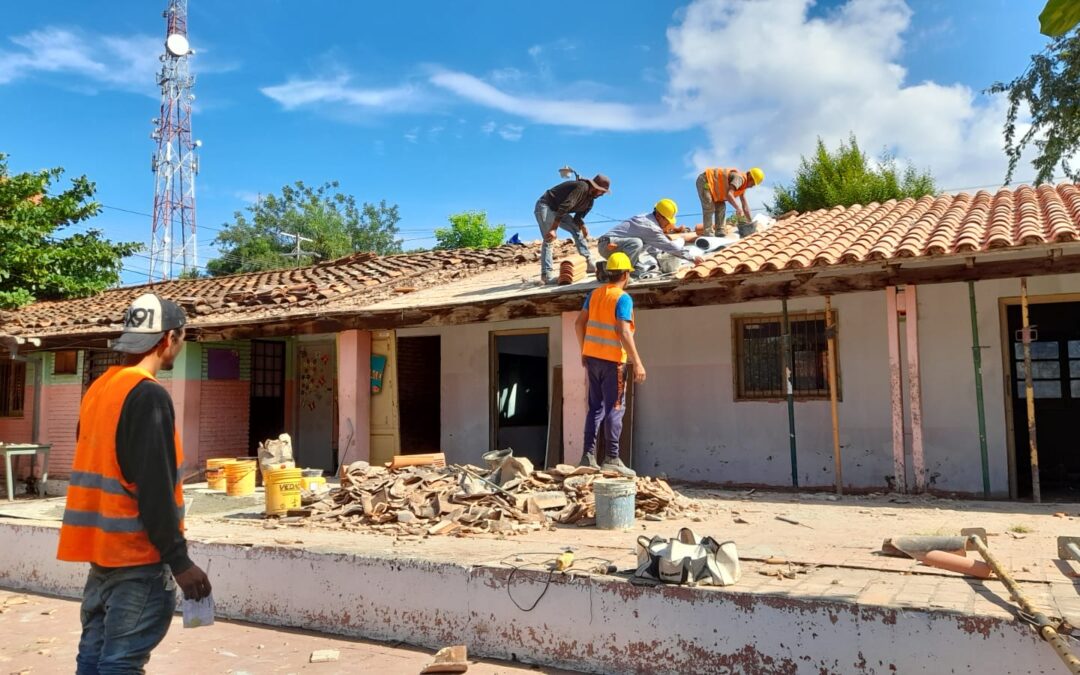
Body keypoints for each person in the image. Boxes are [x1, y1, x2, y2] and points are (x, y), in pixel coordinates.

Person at [57, 293, 212, 674]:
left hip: (100, 558)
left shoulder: (98, 390)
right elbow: (155, 488)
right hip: (137, 560)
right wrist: (180, 561)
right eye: (183, 338)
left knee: (92, 660)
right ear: (168, 339)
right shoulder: (149, 396)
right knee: (120, 665)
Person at [575, 252, 645, 478]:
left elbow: (579, 324)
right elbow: (623, 330)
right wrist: (638, 362)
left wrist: (584, 350)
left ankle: (587, 455)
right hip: (613, 361)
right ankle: (612, 458)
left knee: (595, 407)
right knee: (615, 407)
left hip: (592, 359)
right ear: (625, 274)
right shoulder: (623, 298)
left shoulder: (593, 295)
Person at [596, 198, 704, 277]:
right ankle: (625, 275)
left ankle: (606, 269)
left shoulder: (649, 223)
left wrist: (661, 261)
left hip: (616, 246)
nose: (667, 224)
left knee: (641, 268)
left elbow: (652, 246)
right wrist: (692, 258)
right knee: (636, 243)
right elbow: (669, 246)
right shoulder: (650, 226)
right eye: (667, 220)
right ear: (658, 215)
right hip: (607, 245)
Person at [535, 173, 611, 284]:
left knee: (577, 232)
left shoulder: (590, 202)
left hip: (560, 211)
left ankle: (588, 262)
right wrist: (553, 229)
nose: (602, 194)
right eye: (602, 191)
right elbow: (566, 205)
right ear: (595, 187)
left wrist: (583, 226)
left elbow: (577, 218)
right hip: (546, 206)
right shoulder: (582, 187)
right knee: (549, 239)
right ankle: (547, 275)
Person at [695, 167, 765, 236]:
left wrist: (750, 222)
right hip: (705, 180)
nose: (752, 186)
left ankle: (720, 230)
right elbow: (729, 195)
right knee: (709, 206)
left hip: (715, 190)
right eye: (753, 183)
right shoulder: (739, 178)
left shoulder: (743, 187)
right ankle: (708, 232)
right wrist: (738, 209)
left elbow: (745, 205)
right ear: (750, 176)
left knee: (721, 206)